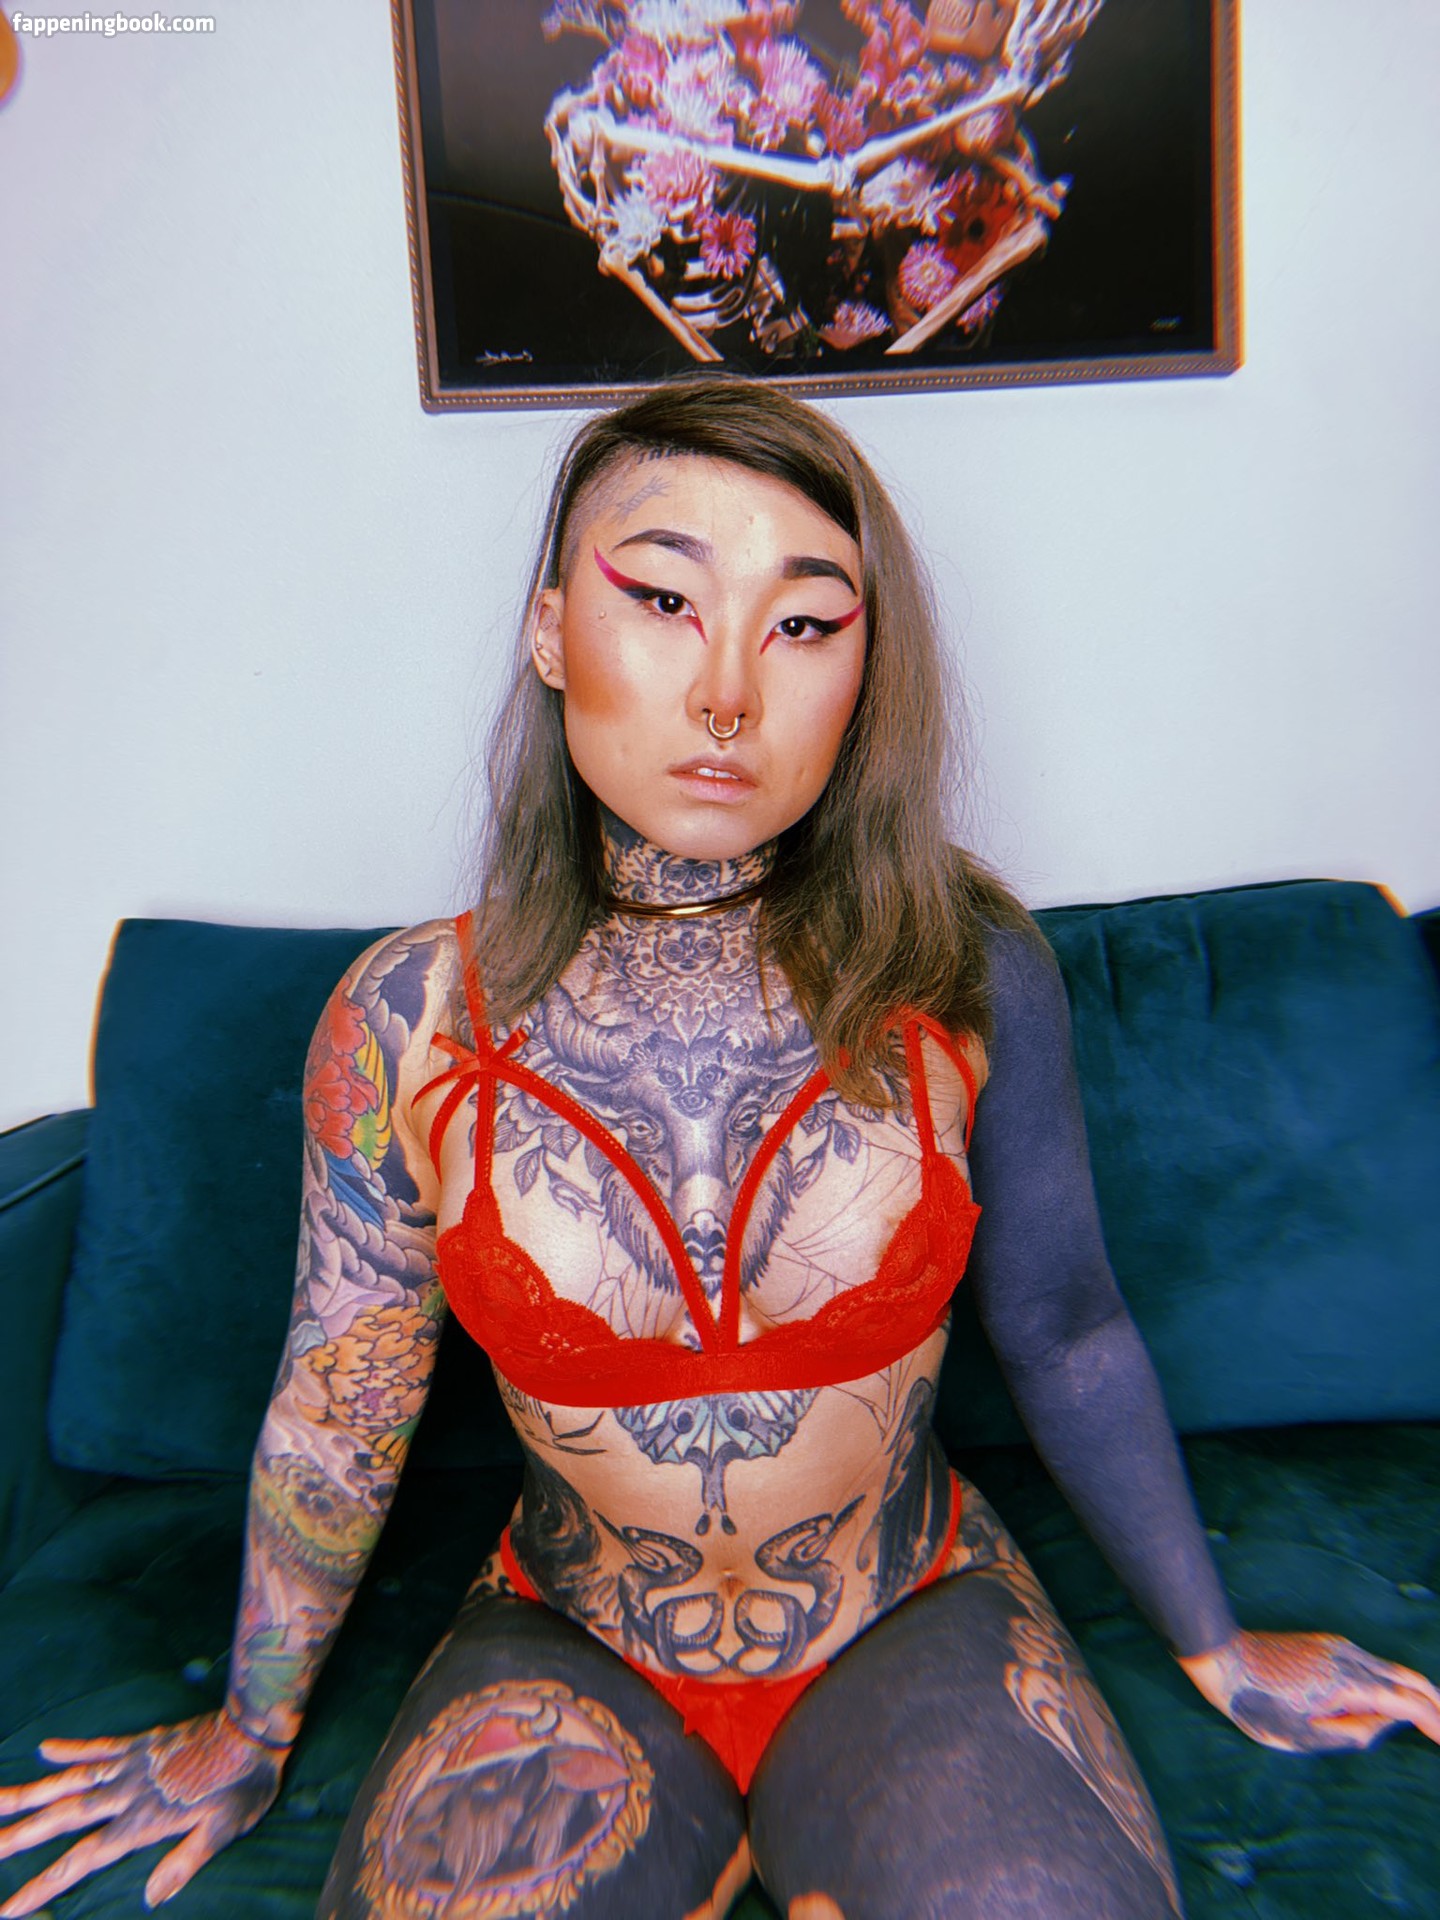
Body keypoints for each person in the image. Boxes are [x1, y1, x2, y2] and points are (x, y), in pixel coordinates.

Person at [1, 378, 1436, 1920]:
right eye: (664, 601)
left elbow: (1068, 1324)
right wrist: (249, 1730)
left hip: (913, 1616)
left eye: (803, 624)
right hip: (572, 1636)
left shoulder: (965, 967)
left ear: (865, 671)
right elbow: (342, 1403)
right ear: (552, 631)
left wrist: (1220, 1646)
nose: (729, 694)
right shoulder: (405, 1019)